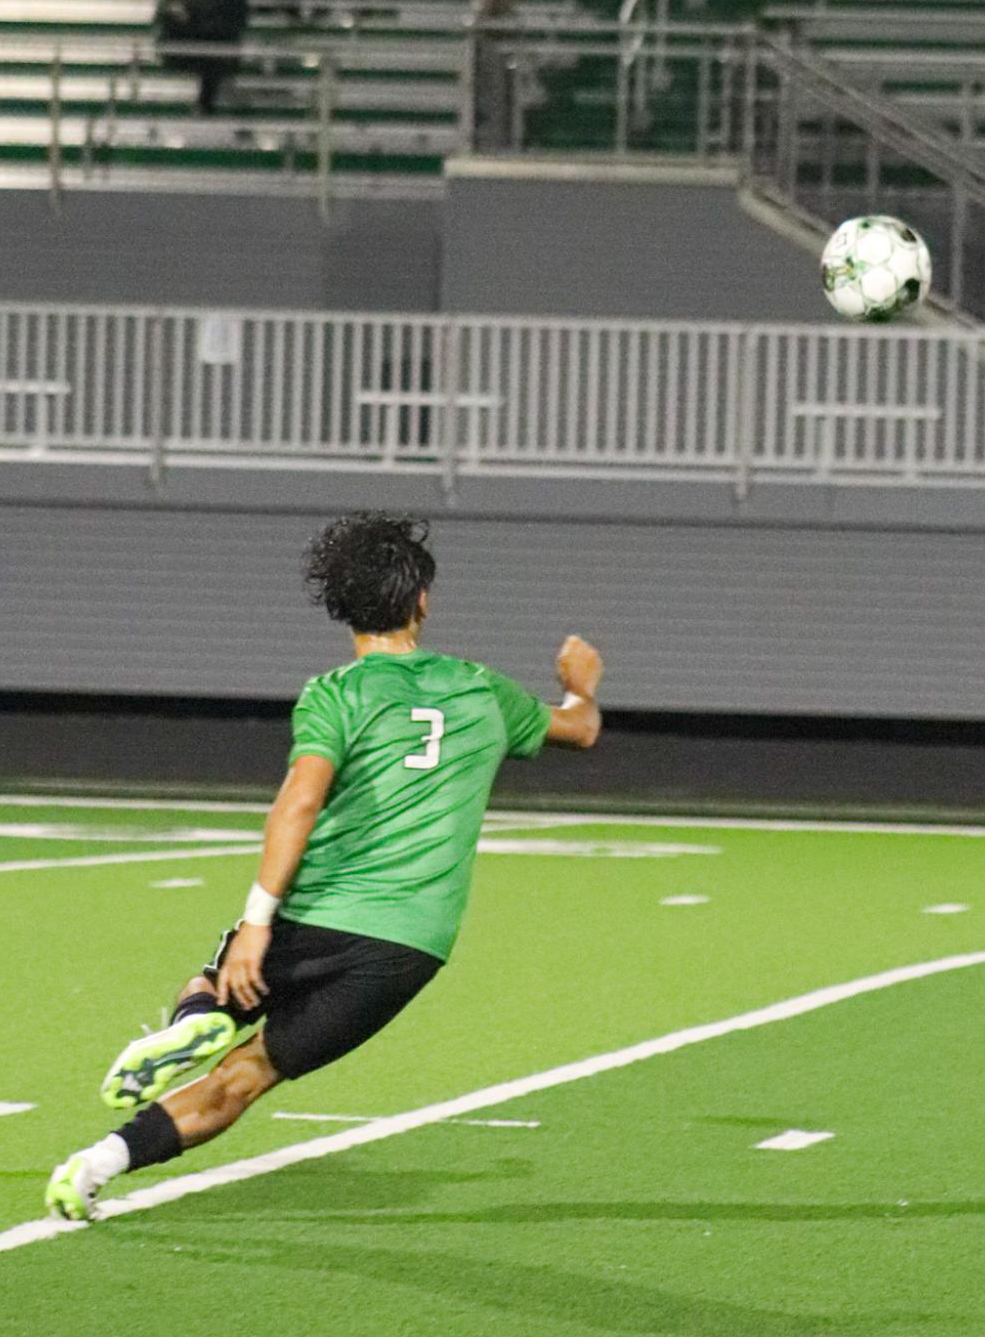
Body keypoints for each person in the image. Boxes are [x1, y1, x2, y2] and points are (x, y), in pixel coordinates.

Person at [44, 512, 604, 1224]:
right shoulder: (480, 690)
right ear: (422, 599)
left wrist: (256, 924)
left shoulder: (338, 694)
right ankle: (97, 1167)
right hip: (410, 946)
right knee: (251, 1075)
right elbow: (580, 728)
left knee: (210, 984)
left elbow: (299, 800)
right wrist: (581, 684)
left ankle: (202, 1015)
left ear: (341, 608)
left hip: (319, 912)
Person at [153, 0, 249, 114]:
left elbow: (234, 25)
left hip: (216, 55)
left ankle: (204, 106)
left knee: (214, 59)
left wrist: (192, 22)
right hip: (186, 52)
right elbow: (165, 19)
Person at [459, 0, 526, 148]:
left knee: (493, 83)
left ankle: (497, 137)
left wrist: (487, 9)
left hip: (492, 27)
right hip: (491, 24)